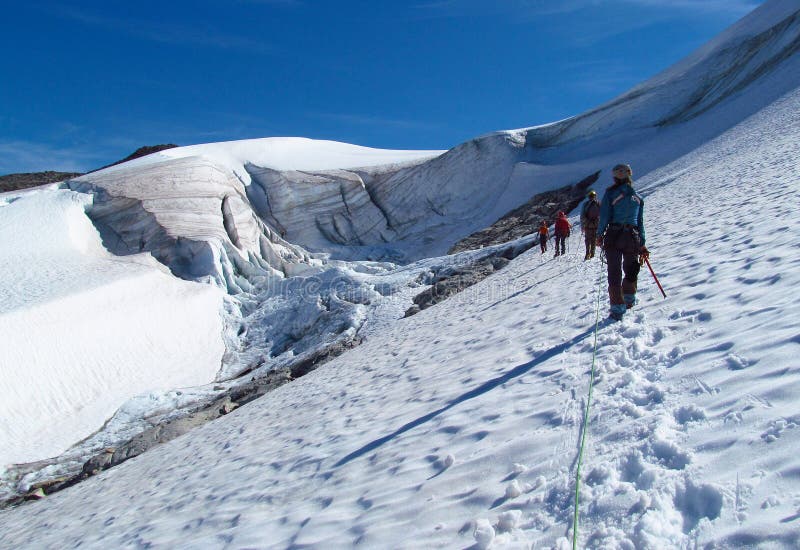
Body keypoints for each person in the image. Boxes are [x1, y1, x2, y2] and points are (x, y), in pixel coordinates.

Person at [596, 164, 649, 321]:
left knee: (614, 270)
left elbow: (604, 216)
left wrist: (599, 235)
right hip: (633, 237)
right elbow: (640, 223)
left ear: (615, 177)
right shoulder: (638, 198)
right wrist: (642, 243)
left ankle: (617, 308)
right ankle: (629, 299)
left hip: (613, 235)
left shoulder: (611, 194)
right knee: (631, 267)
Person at [580, 190, 601, 260]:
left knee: (587, 240)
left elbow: (582, 215)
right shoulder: (598, 203)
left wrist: (583, 225)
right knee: (593, 239)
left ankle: (587, 254)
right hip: (596, 225)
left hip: (588, 225)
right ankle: (592, 253)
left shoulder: (585, 204)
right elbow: (602, 215)